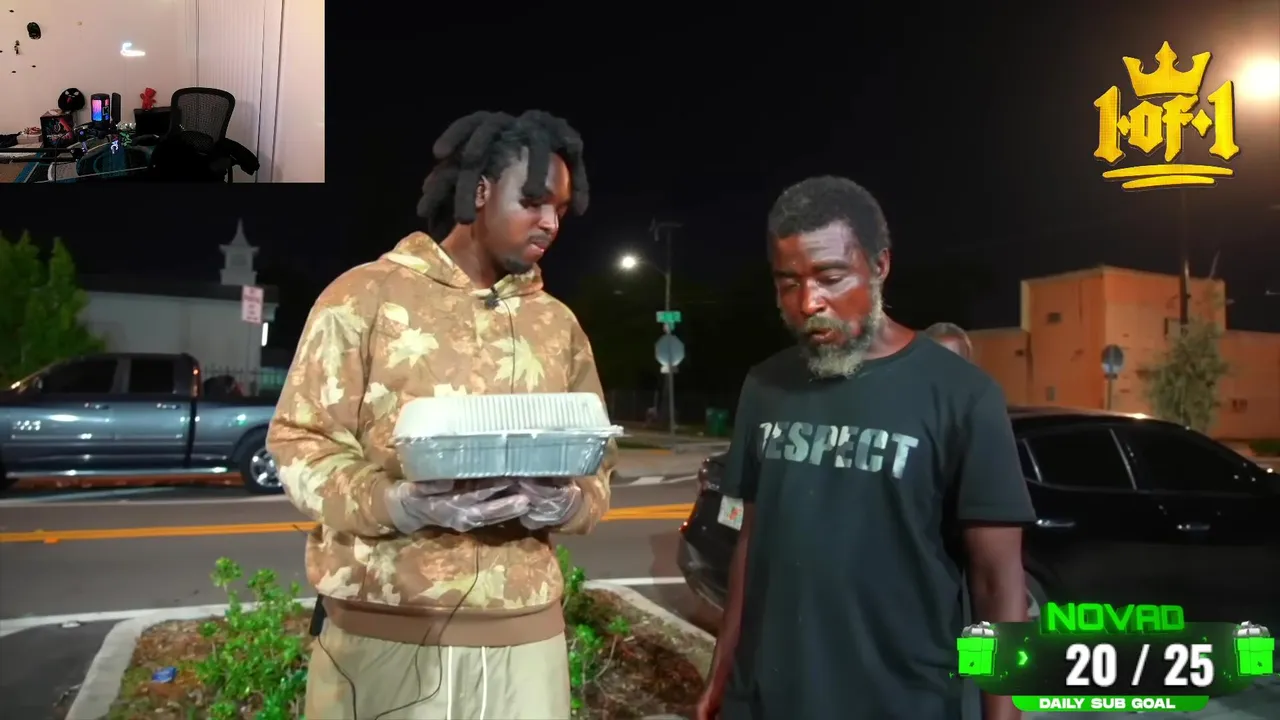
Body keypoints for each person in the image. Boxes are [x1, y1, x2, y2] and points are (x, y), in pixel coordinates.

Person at [267, 110, 615, 720]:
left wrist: (568, 504)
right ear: (480, 190)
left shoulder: (557, 325)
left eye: (560, 209)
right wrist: (399, 503)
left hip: (524, 643)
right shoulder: (364, 297)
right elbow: (300, 442)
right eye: (532, 201)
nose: (550, 222)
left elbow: (600, 464)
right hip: (384, 636)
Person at [697, 176, 1036, 720]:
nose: (809, 302)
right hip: (766, 701)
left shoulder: (962, 395)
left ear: (879, 266)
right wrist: (722, 672)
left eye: (831, 277)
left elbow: (997, 584)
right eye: (788, 283)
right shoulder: (764, 385)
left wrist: (1003, 715)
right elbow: (751, 544)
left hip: (905, 703)